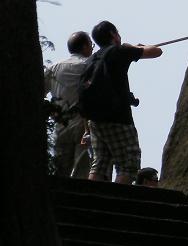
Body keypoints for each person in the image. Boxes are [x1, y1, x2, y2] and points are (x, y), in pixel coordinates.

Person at [87, 20, 162, 184]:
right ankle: (117, 201)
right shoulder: (120, 50)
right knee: (128, 164)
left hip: (95, 119)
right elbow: (157, 51)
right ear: (113, 34)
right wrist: (140, 47)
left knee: (99, 164)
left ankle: (90, 200)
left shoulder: (93, 59)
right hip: (117, 117)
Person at [43, 31, 94, 178]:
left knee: (59, 169)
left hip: (61, 124)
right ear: (85, 47)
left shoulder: (54, 68)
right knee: (82, 169)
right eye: (91, 45)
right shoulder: (88, 66)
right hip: (83, 124)